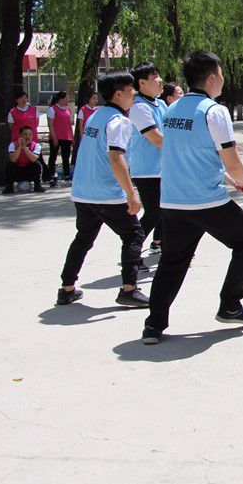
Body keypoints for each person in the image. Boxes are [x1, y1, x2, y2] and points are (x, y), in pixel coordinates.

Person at [141, 50, 243, 345]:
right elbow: (229, 156)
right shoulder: (214, 111)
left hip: (173, 201)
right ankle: (230, 305)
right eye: (220, 73)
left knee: (172, 262)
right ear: (211, 77)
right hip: (207, 201)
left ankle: (153, 325)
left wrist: (230, 179)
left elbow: (190, 155)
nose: (223, 79)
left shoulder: (172, 109)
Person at [57, 71, 148, 308]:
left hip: (83, 191)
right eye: (131, 91)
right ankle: (129, 289)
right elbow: (116, 158)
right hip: (106, 193)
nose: (134, 94)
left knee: (83, 238)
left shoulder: (96, 116)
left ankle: (66, 288)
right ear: (118, 94)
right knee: (133, 235)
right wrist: (131, 193)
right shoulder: (119, 122)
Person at [127, 63, 168, 255]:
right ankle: (131, 251)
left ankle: (162, 245)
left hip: (163, 168)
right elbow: (157, 139)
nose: (160, 81)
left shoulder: (161, 104)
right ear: (142, 83)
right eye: (155, 77)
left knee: (166, 211)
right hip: (147, 170)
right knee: (153, 213)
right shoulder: (139, 107)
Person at [3, 125, 45, 193]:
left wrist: (24, 147)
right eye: (25, 134)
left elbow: (33, 159)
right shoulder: (13, 145)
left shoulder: (36, 145)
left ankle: (37, 186)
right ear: (20, 135)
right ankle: (9, 187)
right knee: (9, 165)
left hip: (29, 172)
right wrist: (19, 147)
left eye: (30, 134)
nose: (28, 137)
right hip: (17, 172)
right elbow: (13, 159)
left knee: (37, 164)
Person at [46, 92, 74, 185]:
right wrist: (54, 138)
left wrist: (72, 137)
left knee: (66, 157)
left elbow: (69, 125)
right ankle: (51, 176)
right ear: (61, 99)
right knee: (53, 157)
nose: (68, 99)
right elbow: (50, 124)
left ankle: (67, 176)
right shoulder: (52, 109)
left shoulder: (68, 110)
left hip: (66, 137)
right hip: (56, 137)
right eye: (67, 98)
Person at [73, 91, 100, 164]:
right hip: (86, 136)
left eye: (97, 99)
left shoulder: (97, 110)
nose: (96, 100)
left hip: (95, 137)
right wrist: (82, 138)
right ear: (89, 99)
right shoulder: (83, 109)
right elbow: (80, 125)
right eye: (94, 98)